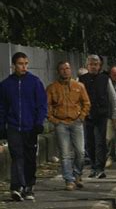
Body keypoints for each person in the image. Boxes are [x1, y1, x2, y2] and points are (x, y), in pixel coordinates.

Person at [0, 52, 47, 201]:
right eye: (21, 64)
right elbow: (2, 108)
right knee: (17, 156)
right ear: (14, 65)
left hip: (30, 126)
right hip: (13, 126)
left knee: (29, 157)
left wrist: (39, 123)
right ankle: (16, 186)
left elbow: (41, 105)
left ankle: (29, 186)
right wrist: (2, 127)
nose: (24, 67)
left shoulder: (35, 82)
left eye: (26, 63)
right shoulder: (6, 85)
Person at [47, 61, 91, 190]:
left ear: (71, 70)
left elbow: (86, 103)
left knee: (80, 152)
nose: (65, 71)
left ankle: (77, 174)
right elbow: (47, 105)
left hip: (76, 122)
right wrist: (53, 119)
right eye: (62, 69)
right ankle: (69, 180)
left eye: (67, 68)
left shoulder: (79, 86)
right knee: (65, 153)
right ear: (58, 71)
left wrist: (82, 116)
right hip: (61, 123)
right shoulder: (52, 88)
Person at [79, 55, 116, 179]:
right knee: (89, 143)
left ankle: (100, 168)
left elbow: (113, 98)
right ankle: (93, 166)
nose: (94, 67)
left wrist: (115, 115)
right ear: (87, 65)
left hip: (101, 115)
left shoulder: (105, 79)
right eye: (91, 64)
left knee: (100, 142)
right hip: (86, 116)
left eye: (96, 64)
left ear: (99, 66)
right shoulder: (81, 79)